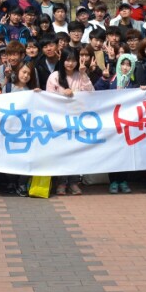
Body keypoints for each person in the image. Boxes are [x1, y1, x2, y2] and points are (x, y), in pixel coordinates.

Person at [45, 47, 94, 196]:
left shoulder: (80, 75)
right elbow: (48, 99)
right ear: (62, 60)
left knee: (76, 151)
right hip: (59, 122)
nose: (70, 63)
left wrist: (84, 74)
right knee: (62, 152)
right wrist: (63, 95)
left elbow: (91, 93)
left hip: (77, 121)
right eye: (67, 60)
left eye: (73, 60)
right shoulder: (54, 76)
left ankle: (74, 182)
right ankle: (61, 182)